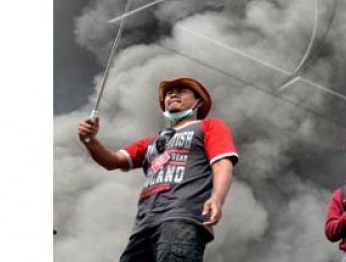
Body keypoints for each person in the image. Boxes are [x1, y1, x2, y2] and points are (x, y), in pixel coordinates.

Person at [78, 77, 239, 262]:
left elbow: (221, 163)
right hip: (143, 227)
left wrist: (218, 197)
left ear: (199, 102)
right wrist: (89, 139)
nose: (173, 94)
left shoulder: (209, 126)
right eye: (169, 93)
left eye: (182, 90)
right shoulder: (150, 142)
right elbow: (113, 161)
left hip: (182, 219)